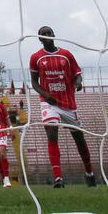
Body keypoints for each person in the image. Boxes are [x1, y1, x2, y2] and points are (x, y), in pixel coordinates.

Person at [30, 26, 96, 188]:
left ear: (54, 35)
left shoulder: (66, 55)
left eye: (49, 33)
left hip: (68, 103)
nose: (46, 36)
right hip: (49, 102)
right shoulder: (36, 57)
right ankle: (58, 178)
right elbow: (34, 82)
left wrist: (78, 83)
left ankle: (89, 173)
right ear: (39, 39)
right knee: (52, 132)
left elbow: (77, 74)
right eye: (43, 34)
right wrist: (45, 95)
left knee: (79, 138)